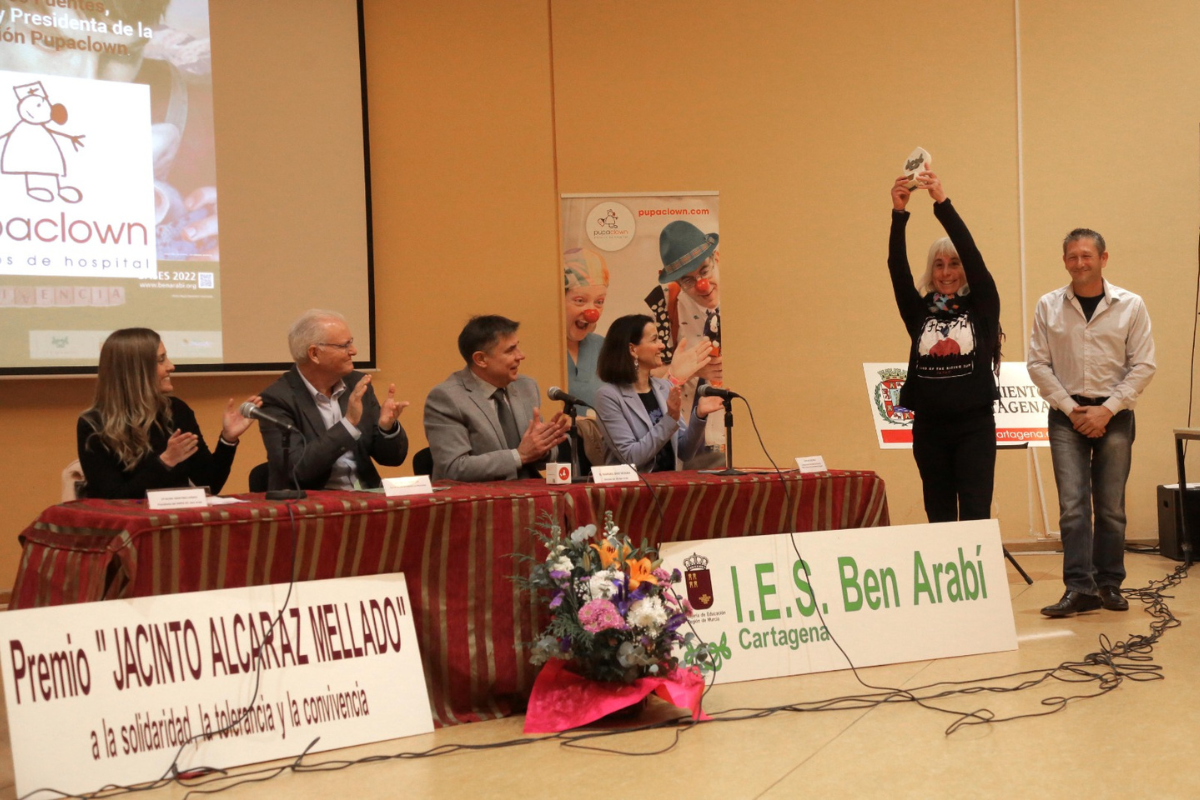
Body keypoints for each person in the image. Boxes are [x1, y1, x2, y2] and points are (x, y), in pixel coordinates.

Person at [1029, 229, 1155, 617]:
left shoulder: (1131, 305)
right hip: (1066, 417)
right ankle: (1079, 588)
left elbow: (1144, 364)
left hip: (1114, 417)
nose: (1079, 262)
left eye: (1087, 255)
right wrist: (1072, 409)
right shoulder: (1048, 305)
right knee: (1073, 507)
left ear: (1103, 258)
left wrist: (1107, 410)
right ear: (1064, 261)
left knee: (1111, 507)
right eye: (1072, 256)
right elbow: (1037, 364)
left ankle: (1109, 584)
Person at [888, 170, 1002, 522]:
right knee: (938, 514)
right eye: (939, 265)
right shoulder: (919, 310)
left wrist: (942, 203)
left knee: (975, 512)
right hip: (929, 428)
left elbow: (972, 253)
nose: (946, 272)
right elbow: (897, 270)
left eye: (954, 264)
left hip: (974, 427)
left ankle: (978, 562)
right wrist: (899, 214)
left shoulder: (982, 305)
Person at [77, 328, 258, 499]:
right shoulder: (93, 423)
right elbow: (112, 499)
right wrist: (164, 462)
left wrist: (228, 440)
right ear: (136, 370)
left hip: (176, 517)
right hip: (130, 521)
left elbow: (209, 484)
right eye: (161, 360)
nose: (171, 366)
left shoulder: (176, 411)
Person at [259, 310, 409, 491]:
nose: (353, 351)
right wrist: (348, 424)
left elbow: (393, 459)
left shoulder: (357, 384)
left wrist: (387, 428)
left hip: (366, 496)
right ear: (314, 353)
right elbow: (297, 470)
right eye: (344, 345)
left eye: (351, 343)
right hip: (312, 502)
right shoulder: (277, 399)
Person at [424, 315, 570, 481]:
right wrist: (519, 456)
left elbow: (541, 459)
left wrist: (544, 446)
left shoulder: (526, 387)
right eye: (510, 350)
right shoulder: (447, 398)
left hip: (530, 490)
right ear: (481, 359)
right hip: (480, 494)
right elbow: (453, 468)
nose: (521, 356)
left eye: (518, 347)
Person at [593, 314, 722, 472]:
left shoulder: (664, 387)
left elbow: (685, 452)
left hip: (669, 482)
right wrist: (670, 418)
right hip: (633, 485)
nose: (661, 346)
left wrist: (699, 415)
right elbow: (630, 457)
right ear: (633, 349)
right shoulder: (608, 396)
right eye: (654, 340)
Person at [655, 220, 726, 469]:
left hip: (747, 428)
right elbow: (649, 376)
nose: (701, 285)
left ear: (716, 258)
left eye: (704, 271)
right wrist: (691, 370)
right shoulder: (665, 306)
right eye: (688, 280)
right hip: (695, 440)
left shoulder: (746, 296)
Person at [564, 247, 609, 409]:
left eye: (599, 302)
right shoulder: (543, 351)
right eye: (580, 300)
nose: (592, 313)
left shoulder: (603, 347)